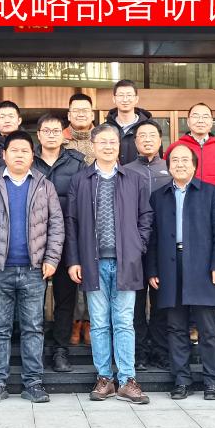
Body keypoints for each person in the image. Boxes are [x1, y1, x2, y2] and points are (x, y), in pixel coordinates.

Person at [0, 131, 64, 404]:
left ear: (32, 156)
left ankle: (33, 383)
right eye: (14, 150)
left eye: (25, 150)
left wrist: (52, 259)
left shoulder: (44, 185)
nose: (20, 155)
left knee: (33, 328)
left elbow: (56, 225)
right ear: (4, 155)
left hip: (34, 270)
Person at [66, 124, 154, 404]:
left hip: (126, 261)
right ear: (93, 145)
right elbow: (72, 222)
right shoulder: (81, 180)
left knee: (125, 322)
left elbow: (146, 216)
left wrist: (138, 245)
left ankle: (127, 380)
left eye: (112, 142)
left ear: (119, 146)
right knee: (100, 323)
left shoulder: (133, 179)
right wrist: (74, 259)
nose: (107, 146)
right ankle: (104, 378)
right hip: (92, 262)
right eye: (102, 142)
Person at [147, 144, 215, 401]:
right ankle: (182, 380)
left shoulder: (212, 192)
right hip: (169, 266)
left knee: (208, 328)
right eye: (175, 160)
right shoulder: (158, 196)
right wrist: (152, 269)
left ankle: (212, 381)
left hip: (203, 266)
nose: (180, 164)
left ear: (194, 165)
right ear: (168, 166)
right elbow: (153, 236)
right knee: (176, 327)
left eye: (185, 160)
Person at [33, 113, 88, 373]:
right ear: (39, 134)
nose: (51, 135)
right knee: (33, 299)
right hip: (33, 241)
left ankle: (60, 350)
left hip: (67, 240)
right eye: (46, 130)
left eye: (56, 130)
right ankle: (34, 349)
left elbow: (84, 203)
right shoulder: (29, 161)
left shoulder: (76, 162)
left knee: (65, 299)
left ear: (63, 135)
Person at [121, 119, 171, 371]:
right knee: (135, 303)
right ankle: (138, 351)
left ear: (161, 140)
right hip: (134, 245)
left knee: (162, 301)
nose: (148, 139)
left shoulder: (170, 168)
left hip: (164, 245)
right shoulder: (125, 171)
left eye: (152, 135)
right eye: (142, 136)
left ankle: (161, 350)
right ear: (135, 142)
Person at [165, 103, 215, 186]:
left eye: (205, 117)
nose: (200, 121)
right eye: (195, 116)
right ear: (188, 121)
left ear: (211, 122)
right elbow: (165, 177)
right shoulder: (175, 148)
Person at [105, 79, 153, 165]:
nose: (125, 99)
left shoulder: (150, 128)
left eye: (129, 95)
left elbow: (156, 160)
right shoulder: (105, 129)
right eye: (121, 95)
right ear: (114, 99)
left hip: (141, 173)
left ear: (136, 99)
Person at [63, 93, 96, 162]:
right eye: (76, 111)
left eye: (85, 111)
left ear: (92, 115)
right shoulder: (59, 139)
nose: (81, 114)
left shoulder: (103, 139)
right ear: (69, 116)